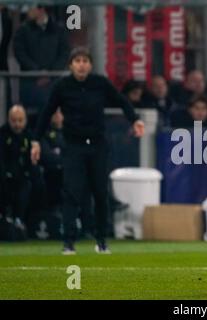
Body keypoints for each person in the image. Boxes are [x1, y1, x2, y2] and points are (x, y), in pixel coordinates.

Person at [31, 47, 145, 254]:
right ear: (70, 65)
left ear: (90, 65)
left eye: (85, 61)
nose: (81, 65)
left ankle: (101, 240)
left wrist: (135, 119)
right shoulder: (62, 86)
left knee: (100, 193)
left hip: (98, 145)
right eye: (77, 61)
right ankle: (69, 242)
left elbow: (121, 101)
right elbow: (47, 112)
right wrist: (36, 140)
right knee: (71, 193)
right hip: (73, 146)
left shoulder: (100, 83)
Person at [13, 5, 70, 114]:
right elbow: (20, 53)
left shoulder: (59, 30)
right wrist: (37, 72)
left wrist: (50, 74)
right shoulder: (22, 30)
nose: (27, 11)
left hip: (53, 84)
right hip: (30, 83)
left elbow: (64, 54)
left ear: (41, 9)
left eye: (30, 7)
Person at [0, 105, 40, 238]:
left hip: (22, 177)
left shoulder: (29, 136)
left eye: (20, 120)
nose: (17, 124)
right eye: (14, 120)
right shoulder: (2, 135)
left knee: (30, 184)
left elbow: (32, 161)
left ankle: (21, 220)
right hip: (4, 177)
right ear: (9, 120)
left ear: (25, 120)